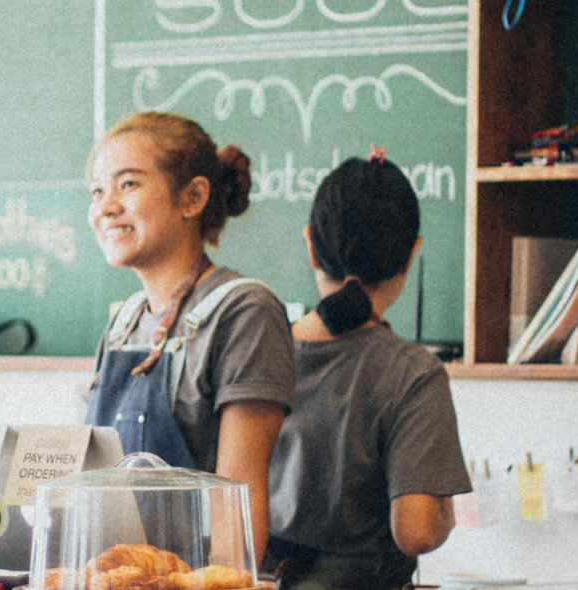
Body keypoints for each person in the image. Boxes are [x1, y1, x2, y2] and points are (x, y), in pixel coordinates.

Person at [84, 111, 294, 559]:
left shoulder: (244, 310)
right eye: (97, 191)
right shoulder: (123, 323)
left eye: (128, 185)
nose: (105, 207)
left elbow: (238, 498)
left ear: (193, 197)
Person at [265, 155, 471, 590]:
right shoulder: (413, 372)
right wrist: (444, 514)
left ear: (310, 246)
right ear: (411, 253)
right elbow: (416, 531)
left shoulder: (259, 353)